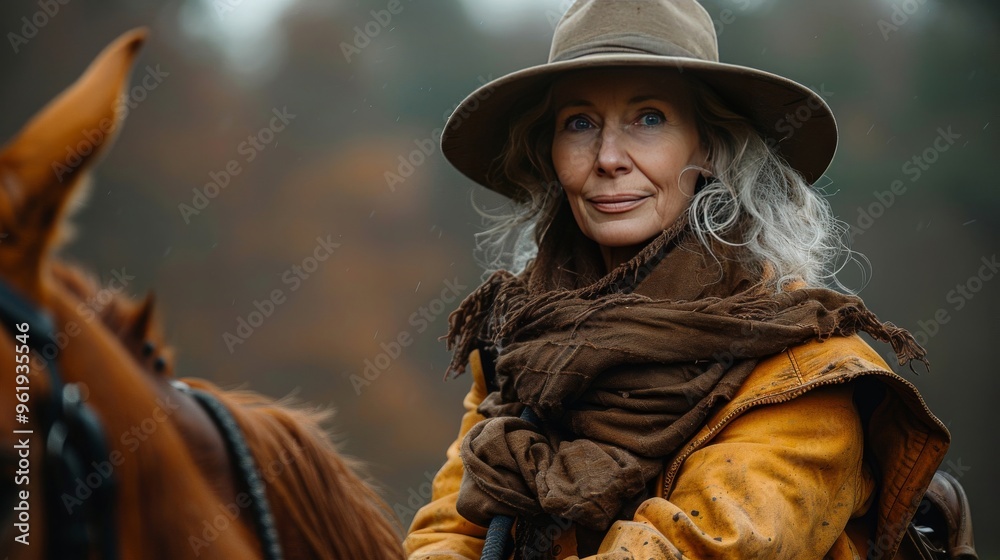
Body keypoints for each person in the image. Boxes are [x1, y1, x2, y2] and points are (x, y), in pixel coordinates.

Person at [404, 1, 950, 558]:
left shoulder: (799, 370)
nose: (609, 157)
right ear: (551, 152)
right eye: (580, 123)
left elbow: (698, 547)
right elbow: (449, 534)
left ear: (709, 146)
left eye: (649, 118)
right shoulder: (517, 350)